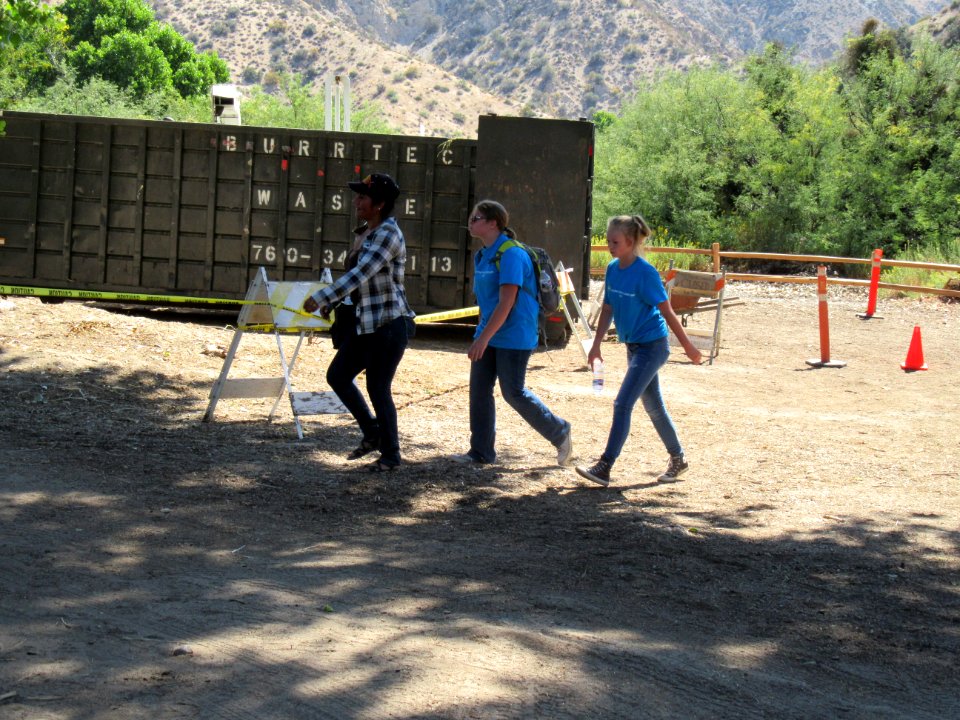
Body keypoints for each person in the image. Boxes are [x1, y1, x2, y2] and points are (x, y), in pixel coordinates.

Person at [575, 214, 702, 487]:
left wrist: (689, 347)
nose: (610, 246)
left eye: (615, 241)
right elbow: (608, 307)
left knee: (622, 403)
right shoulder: (612, 268)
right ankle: (678, 459)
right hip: (634, 346)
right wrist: (595, 346)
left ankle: (605, 466)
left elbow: (667, 312)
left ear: (631, 242)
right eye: (608, 241)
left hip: (653, 346)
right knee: (654, 406)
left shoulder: (645, 273)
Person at [303, 173, 415, 472]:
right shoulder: (366, 231)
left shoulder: (388, 234)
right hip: (368, 324)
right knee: (338, 376)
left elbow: (360, 274)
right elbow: (357, 282)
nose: (357, 202)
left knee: (378, 388)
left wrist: (324, 297)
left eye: (363, 197)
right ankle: (373, 433)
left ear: (379, 204)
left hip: (390, 324)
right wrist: (337, 302)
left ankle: (391, 455)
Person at [451, 200, 573, 466]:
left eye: (477, 217)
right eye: (472, 216)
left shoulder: (511, 255)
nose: (471, 221)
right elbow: (487, 303)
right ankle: (481, 452)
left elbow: (507, 302)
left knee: (513, 392)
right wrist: (480, 334)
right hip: (491, 333)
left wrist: (483, 338)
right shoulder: (482, 255)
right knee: (479, 391)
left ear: (494, 223)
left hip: (516, 335)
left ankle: (560, 431)